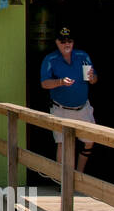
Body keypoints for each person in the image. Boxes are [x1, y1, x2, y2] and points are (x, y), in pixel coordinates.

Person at [40, 26, 97, 172]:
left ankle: (79, 174)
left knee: (89, 141)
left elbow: (94, 79)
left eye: (69, 41)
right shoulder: (50, 59)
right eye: (62, 41)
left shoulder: (83, 56)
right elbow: (44, 83)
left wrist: (92, 77)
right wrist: (60, 82)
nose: (66, 44)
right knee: (63, 144)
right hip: (61, 109)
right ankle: (62, 181)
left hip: (83, 108)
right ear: (57, 42)